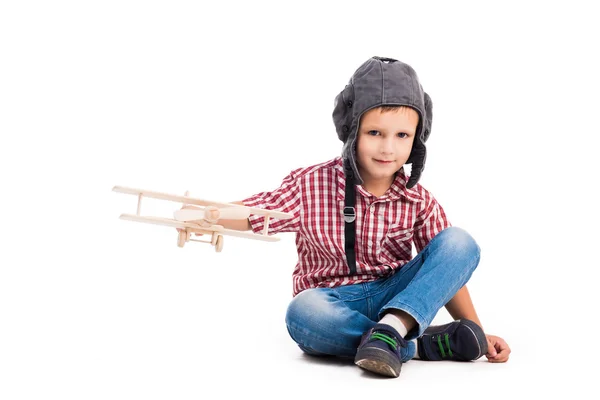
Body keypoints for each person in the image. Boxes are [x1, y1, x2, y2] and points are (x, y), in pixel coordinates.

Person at [185, 56, 511, 378]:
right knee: (303, 312)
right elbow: (258, 212)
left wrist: (477, 333)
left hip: (394, 294)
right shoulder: (310, 184)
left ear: (416, 140)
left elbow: (446, 271)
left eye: (402, 136)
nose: (388, 149)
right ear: (351, 129)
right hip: (332, 301)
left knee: (459, 242)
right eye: (374, 133)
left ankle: (393, 327)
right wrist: (208, 215)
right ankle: (414, 344)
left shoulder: (418, 199)